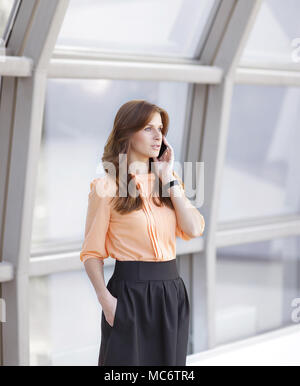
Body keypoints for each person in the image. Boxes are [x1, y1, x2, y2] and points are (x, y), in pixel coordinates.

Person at [79, 99, 205, 366]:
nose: (158, 136)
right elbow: (91, 253)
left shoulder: (168, 183)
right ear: (127, 131)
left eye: (160, 128)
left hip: (171, 294)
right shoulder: (105, 188)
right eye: (148, 128)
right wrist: (106, 302)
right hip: (129, 296)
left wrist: (168, 177)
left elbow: (193, 228)